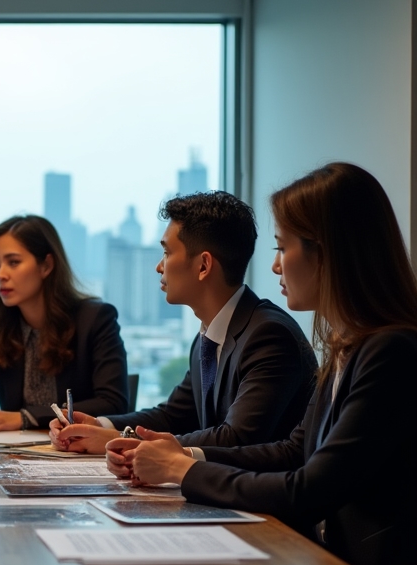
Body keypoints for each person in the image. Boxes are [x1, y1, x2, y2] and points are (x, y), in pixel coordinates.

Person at [106, 163, 417, 565]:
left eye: (282, 248)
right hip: (327, 564)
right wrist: (180, 455)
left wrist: (183, 469)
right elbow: (293, 450)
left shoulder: (389, 352)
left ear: (328, 254)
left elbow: (309, 490)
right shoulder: (348, 349)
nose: (274, 267)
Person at [50, 191, 316, 454]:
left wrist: (123, 440)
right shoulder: (208, 336)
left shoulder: (269, 336)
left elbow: (237, 437)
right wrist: (99, 424)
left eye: (166, 253)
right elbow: (173, 415)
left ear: (203, 266)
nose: (159, 266)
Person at [0, 215, 128, 433]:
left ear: (46, 266)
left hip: (81, 455)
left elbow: (113, 403)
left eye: (13, 262)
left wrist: (26, 417)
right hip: (16, 458)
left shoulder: (94, 319)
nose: (0, 275)